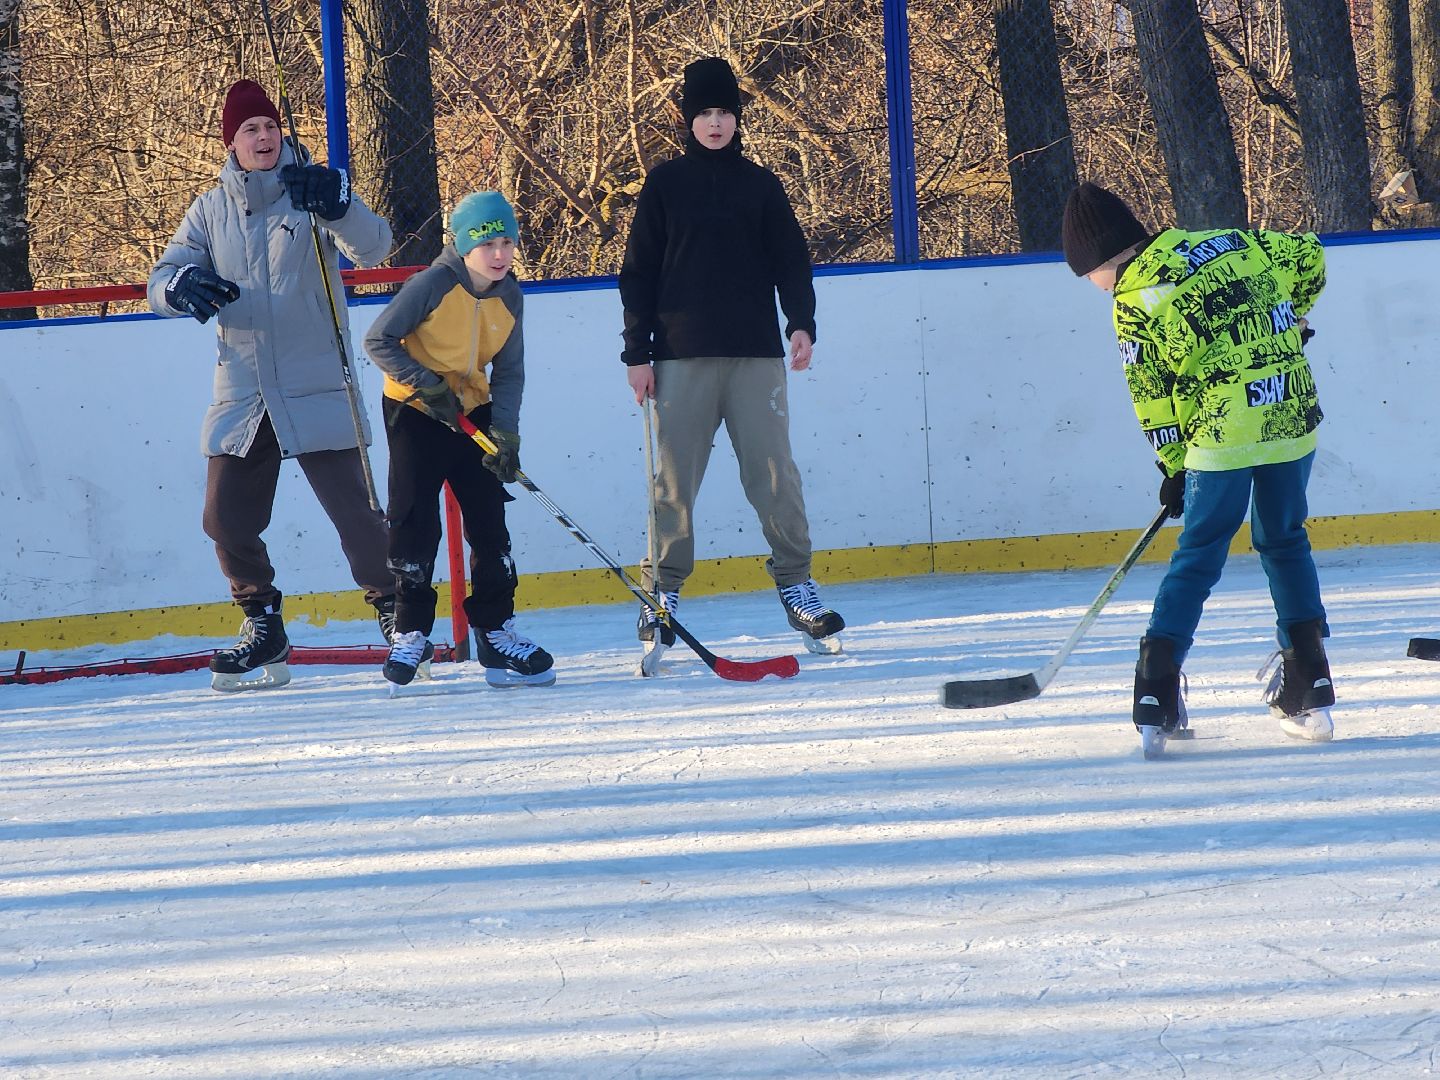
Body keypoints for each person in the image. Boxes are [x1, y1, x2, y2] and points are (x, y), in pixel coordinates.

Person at [1061, 181, 1335, 756]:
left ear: (1102, 261)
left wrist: (1174, 466)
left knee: (1200, 551)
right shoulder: (1231, 241)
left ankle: (1156, 692)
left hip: (1221, 434)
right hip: (1289, 414)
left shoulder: (1135, 299)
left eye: (1087, 275)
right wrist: (1289, 320)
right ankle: (1309, 683)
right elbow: (1307, 253)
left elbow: (1153, 397)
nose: (1093, 286)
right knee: (1285, 540)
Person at [148, 78, 396, 692]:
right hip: (244, 389)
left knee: (358, 520)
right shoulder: (209, 210)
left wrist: (340, 204)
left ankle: (399, 615)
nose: (263, 137)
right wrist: (178, 289)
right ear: (231, 142)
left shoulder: (313, 191)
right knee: (224, 519)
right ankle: (264, 625)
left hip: (316, 381)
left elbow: (375, 247)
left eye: (270, 127)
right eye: (249, 130)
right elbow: (162, 276)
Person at [618, 56, 845, 664]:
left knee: (774, 475)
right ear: (687, 120)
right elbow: (637, 272)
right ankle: (660, 596)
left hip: (754, 356)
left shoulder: (761, 185)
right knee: (674, 484)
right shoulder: (665, 184)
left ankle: (797, 583)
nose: (715, 124)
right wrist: (636, 352)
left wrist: (801, 321)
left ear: (738, 119)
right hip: (678, 359)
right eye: (704, 114)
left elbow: (791, 260)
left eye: (724, 113)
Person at [363, 190, 554, 689]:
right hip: (416, 410)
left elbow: (509, 372)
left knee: (490, 520)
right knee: (413, 519)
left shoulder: (509, 296)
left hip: (472, 409)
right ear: (466, 245)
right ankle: (410, 633)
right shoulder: (431, 284)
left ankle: (495, 630)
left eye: (508, 242)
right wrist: (425, 383)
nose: (499, 254)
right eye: (488, 243)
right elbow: (378, 339)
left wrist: (506, 431)